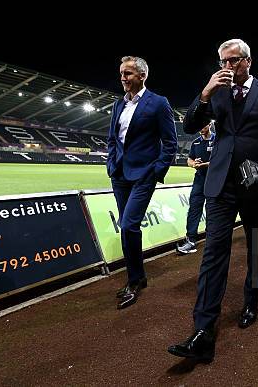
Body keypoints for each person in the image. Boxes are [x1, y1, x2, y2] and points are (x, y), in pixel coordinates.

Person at [168, 39, 258, 362]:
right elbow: (189, 125)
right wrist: (206, 92)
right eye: (223, 61)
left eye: (233, 60)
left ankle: (252, 300)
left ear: (248, 61)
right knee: (213, 253)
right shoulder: (218, 91)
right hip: (221, 183)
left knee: (256, 247)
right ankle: (203, 331)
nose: (227, 67)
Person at [107, 56, 177, 309]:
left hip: (143, 176)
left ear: (142, 75)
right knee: (129, 229)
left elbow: (170, 144)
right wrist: (110, 164)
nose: (123, 78)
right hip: (120, 175)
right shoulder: (118, 105)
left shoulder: (158, 103)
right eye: (121, 74)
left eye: (128, 73)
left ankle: (134, 280)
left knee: (128, 226)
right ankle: (137, 277)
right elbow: (112, 139)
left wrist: (155, 172)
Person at [177, 123, 215, 254]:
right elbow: (189, 159)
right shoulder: (195, 143)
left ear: (210, 124)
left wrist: (206, 164)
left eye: (203, 124)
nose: (200, 127)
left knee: (211, 210)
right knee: (194, 209)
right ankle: (191, 240)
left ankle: (211, 238)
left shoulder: (217, 140)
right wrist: (194, 164)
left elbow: (220, 159)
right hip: (199, 180)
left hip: (214, 181)